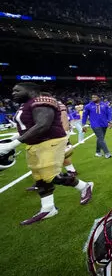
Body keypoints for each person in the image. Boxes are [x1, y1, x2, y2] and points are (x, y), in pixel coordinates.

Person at [0, 83, 93, 225]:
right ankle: (48, 208)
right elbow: (27, 127)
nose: (13, 93)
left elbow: (43, 124)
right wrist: (10, 140)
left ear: (31, 90)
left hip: (50, 140)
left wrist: (13, 144)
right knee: (39, 178)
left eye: (17, 90)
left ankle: (84, 186)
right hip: (34, 144)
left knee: (50, 176)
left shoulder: (42, 101)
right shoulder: (26, 104)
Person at [82, 94, 112, 159]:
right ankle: (107, 153)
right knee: (101, 138)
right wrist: (83, 124)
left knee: (100, 138)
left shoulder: (104, 105)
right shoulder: (88, 106)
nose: (93, 98)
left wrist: (109, 121)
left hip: (104, 124)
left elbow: (109, 113)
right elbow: (84, 115)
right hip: (95, 124)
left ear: (99, 97)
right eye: (92, 97)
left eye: (95, 97)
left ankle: (97, 152)